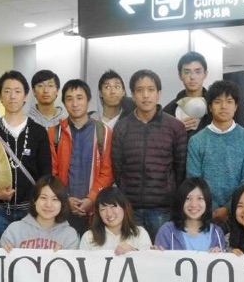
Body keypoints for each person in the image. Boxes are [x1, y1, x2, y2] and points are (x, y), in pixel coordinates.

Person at [0, 70, 52, 244]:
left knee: (30, 255)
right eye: (7, 91)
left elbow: (46, 173)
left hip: (31, 211)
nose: (12, 96)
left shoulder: (38, 131)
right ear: (0, 96)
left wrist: (40, 204)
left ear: (25, 96)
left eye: (18, 91)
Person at [111, 69, 187, 240]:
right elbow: (117, 167)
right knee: (131, 252)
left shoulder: (175, 127)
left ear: (159, 93)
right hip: (130, 207)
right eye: (140, 90)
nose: (145, 95)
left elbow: (180, 169)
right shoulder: (122, 127)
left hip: (163, 209)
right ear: (132, 94)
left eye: (151, 89)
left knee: (162, 252)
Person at [187, 80, 244, 227]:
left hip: (240, 212)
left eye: (229, 101)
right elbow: (194, 180)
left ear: (236, 106)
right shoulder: (196, 140)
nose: (224, 106)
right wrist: (212, 208)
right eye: (218, 102)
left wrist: (228, 208)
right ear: (210, 106)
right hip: (204, 212)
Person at [48, 79, 114, 235]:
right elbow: (52, 172)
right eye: (69, 99)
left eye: (79, 98)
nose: (75, 104)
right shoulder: (54, 133)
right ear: (64, 102)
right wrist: (66, 198)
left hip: (95, 210)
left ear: (88, 100)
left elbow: (108, 171)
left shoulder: (103, 132)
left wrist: (91, 199)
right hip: (62, 209)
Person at [163, 51, 211, 137]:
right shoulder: (169, 110)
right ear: (180, 75)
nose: (192, 77)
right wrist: (176, 130)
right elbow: (161, 140)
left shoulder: (215, 105)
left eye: (197, 72)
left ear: (205, 74)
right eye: (187, 72)